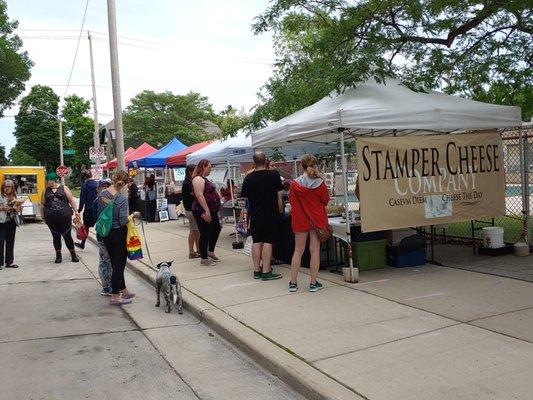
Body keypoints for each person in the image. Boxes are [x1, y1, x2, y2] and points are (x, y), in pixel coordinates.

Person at [288, 154, 330, 292]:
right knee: (314, 251)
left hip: (300, 220)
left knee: (298, 251)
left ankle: (293, 283)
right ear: (315, 165)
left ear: (302, 166)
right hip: (316, 220)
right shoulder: (320, 183)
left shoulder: (294, 184)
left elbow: (292, 201)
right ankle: (313, 282)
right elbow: (325, 200)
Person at [98, 171, 140, 305]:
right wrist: (133, 215)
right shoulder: (121, 199)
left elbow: (99, 214)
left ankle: (124, 290)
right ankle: (115, 296)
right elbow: (122, 221)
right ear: (125, 183)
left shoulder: (102, 194)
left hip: (106, 233)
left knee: (114, 262)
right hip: (118, 233)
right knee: (119, 265)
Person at [241, 151, 283, 281]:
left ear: (254, 162)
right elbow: (279, 190)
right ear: (265, 161)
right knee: (268, 241)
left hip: (255, 213)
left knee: (257, 241)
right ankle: (266, 271)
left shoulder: (248, 177)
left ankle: (256, 270)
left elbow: (244, 194)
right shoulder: (274, 175)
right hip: (270, 213)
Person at [42, 171, 80, 263]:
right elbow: (43, 204)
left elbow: (71, 201)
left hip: (65, 218)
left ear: (54, 180)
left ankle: (73, 255)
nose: (47, 182)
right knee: (56, 237)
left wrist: (76, 212)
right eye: (46, 180)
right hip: (51, 219)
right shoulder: (45, 191)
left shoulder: (64, 188)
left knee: (67, 236)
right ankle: (58, 256)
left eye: (48, 180)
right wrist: (43, 217)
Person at [192, 159, 222, 266]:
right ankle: (204, 258)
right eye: (209, 167)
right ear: (203, 167)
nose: (210, 169)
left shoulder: (205, 179)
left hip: (211, 210)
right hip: (202, 210)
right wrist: (206, 210)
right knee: (205, 233)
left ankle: (210, 252)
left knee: (216, 229)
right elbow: (200, 195)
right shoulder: (198, 179)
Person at [94, 179, 113, 295]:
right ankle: (106, 287)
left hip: (113, 235)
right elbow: (94, 218)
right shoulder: (97, 201)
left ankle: (112, 284)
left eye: (107, 186)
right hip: (103, 235)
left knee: (111, 262)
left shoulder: (113, 200)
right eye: (103, 186)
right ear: (99, 188)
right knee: (105, 261)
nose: (105, 189)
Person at [0, 180, 22, 269]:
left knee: (10, 242)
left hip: (12, 221)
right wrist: (2, 208)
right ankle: (0, 263)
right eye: (5, 186)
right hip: (1, 222)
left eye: (9, 187)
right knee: (0, 242)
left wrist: (19, 208)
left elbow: (18, 209)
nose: (7, 188)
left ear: (12, 188)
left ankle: (9, 262)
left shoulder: (14, 196)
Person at [75, 169, 98, 250]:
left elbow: (82, 199)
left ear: (84, 178)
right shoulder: (97, 184)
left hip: (89, 209)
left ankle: (83, 243)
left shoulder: (85, 186)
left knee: (86, 227)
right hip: (98, 208)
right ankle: (103, 242)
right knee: (100, 225)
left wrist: (79, 210)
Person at [182, 164, 200, 258]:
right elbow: (196, 194)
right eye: (195, 171)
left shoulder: (190, 182)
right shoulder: (187, 183)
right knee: (193, 231)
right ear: (190, 172)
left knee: (196, 231)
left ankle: (198, 249)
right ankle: (191, 251)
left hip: (192, 209)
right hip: (190, 210)